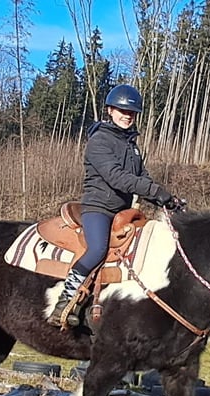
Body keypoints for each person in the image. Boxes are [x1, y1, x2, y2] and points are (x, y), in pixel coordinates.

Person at [48, 84, 183, 327]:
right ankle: (65, 301)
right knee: (98, 249)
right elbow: (116, 177)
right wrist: (156, 192)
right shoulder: (99, 141)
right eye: (122, 110)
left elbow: (143, 179)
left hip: (123, 212)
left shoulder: (133, 147)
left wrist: (168, 200)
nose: (127, 115)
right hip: (98, 208)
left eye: (131, 112)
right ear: (110, 110)